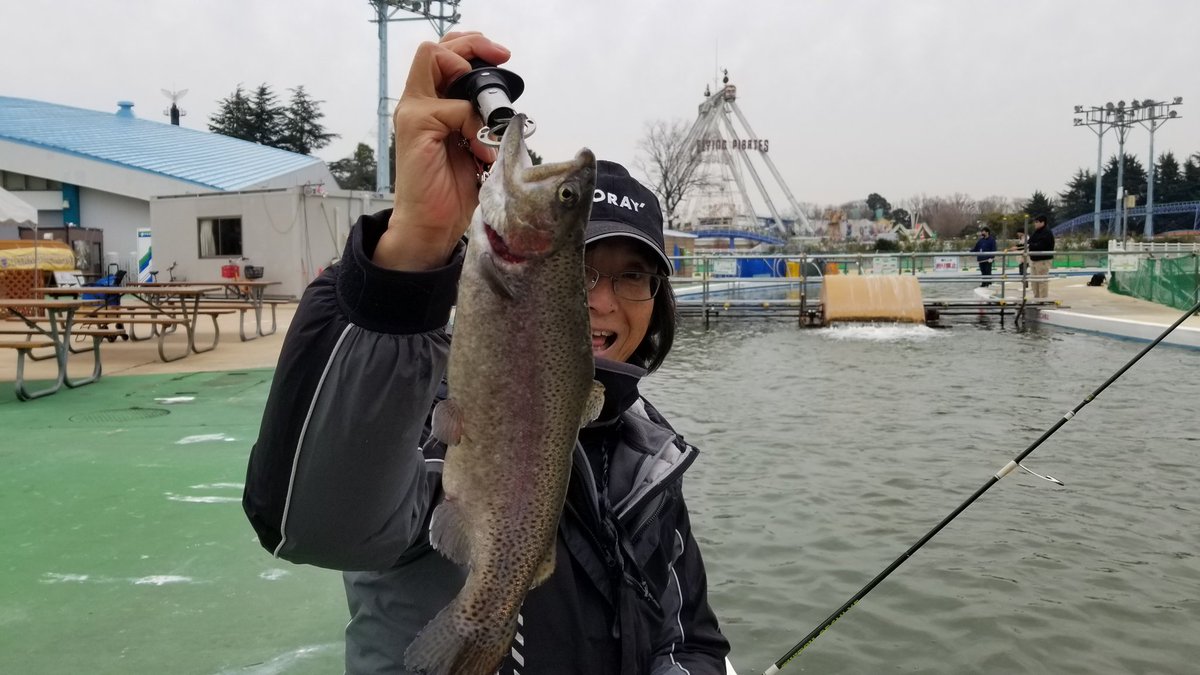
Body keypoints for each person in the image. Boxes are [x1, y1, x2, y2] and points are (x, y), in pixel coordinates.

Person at [241, 32, 730, 675]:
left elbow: (691, 641)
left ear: (658, 297)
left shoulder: (652, 456)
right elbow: (316, 526)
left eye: (632, 276)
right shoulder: (419, 411)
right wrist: (414, 245)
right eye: (582, 269)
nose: (604, 302)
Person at [1027, 215, 1055, 298]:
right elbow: (1030, 242)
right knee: (1034, 281)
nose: (1035, 224)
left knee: (1042, 281)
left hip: (1043, 260)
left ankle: (1042, 299)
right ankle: (1036, 298)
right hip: (1034, 259)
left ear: (1042, 222)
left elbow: (1041, 245)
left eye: (1037, 222)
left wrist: (1030, 245)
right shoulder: (1036, 232)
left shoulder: (1047, 233)